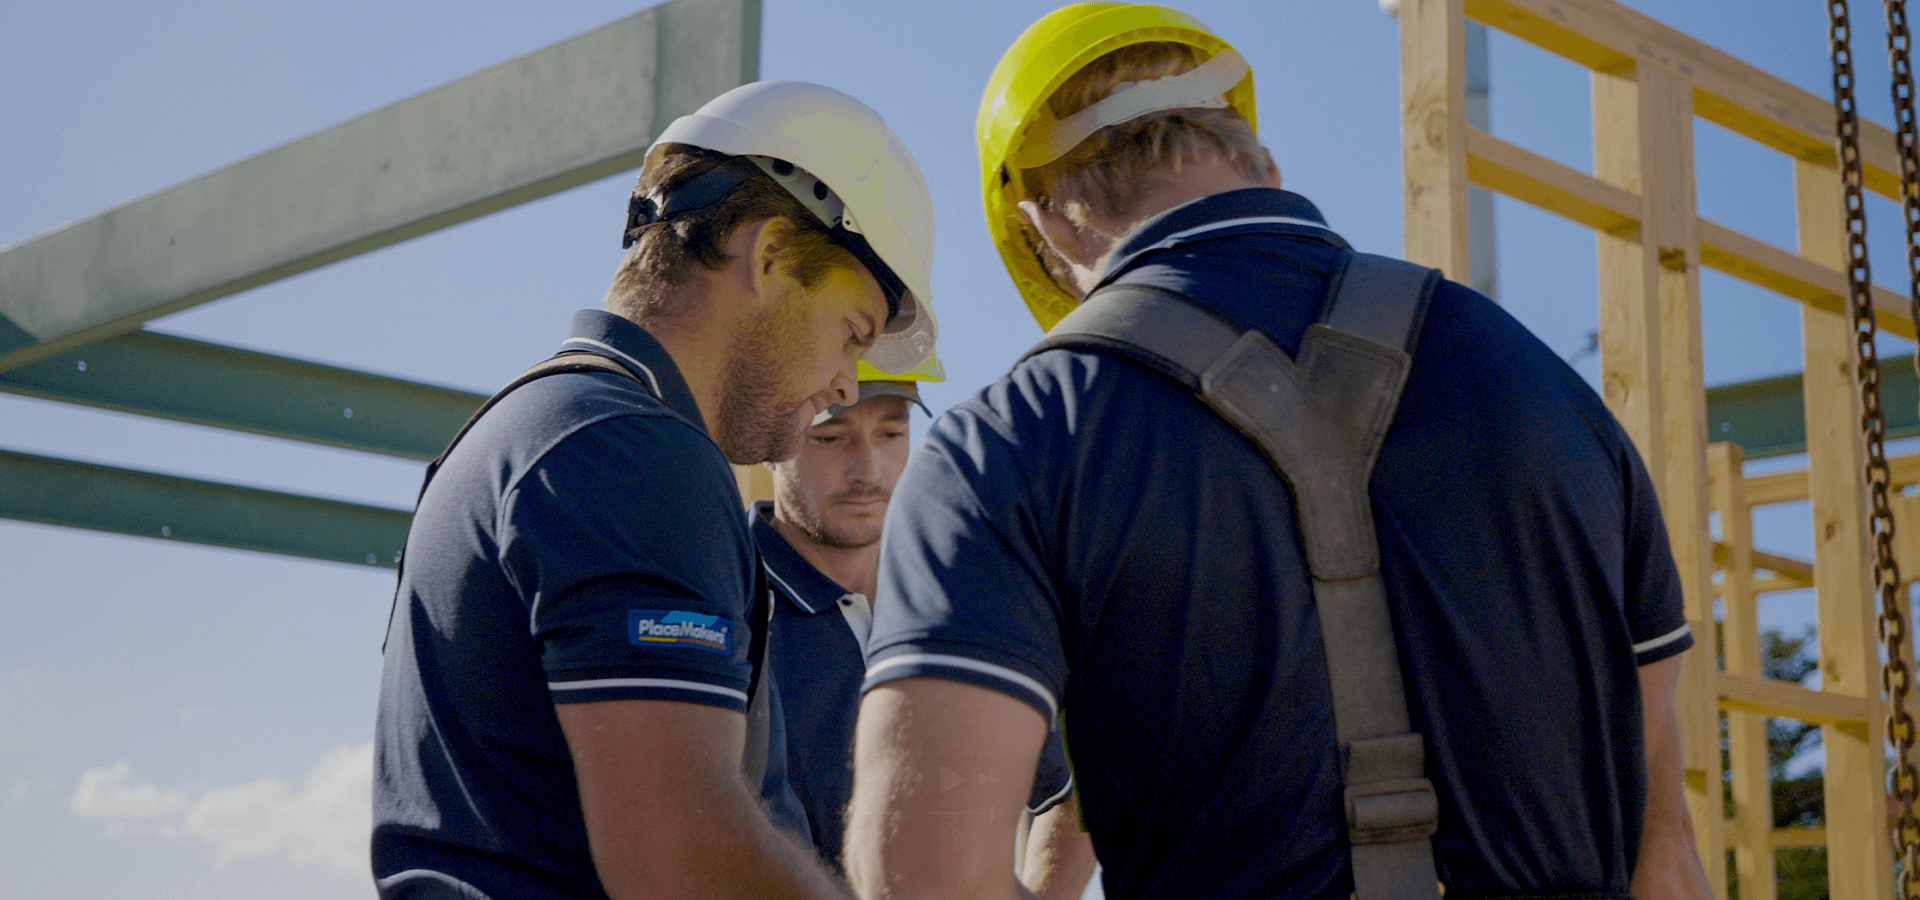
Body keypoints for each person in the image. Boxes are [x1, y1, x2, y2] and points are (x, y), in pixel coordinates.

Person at [842, 5, 1714, 900]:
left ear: (1046, 229)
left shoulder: (1014, 440)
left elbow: (923, 876)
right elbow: (1667, 856)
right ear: (1264, 164)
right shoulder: (1552, 393)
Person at [372, 80, 938, 900]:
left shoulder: (544, 427)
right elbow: (683, 856)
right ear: (772, 254)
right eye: (852, 334)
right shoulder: (633, 452)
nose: (849, 386)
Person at [748, 361, 1097, 898]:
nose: (869, 470)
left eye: (891, 433)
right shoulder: (724, 600)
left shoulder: (965, 595)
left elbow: (1070, 796)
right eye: (830, 435)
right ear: (771, 442)